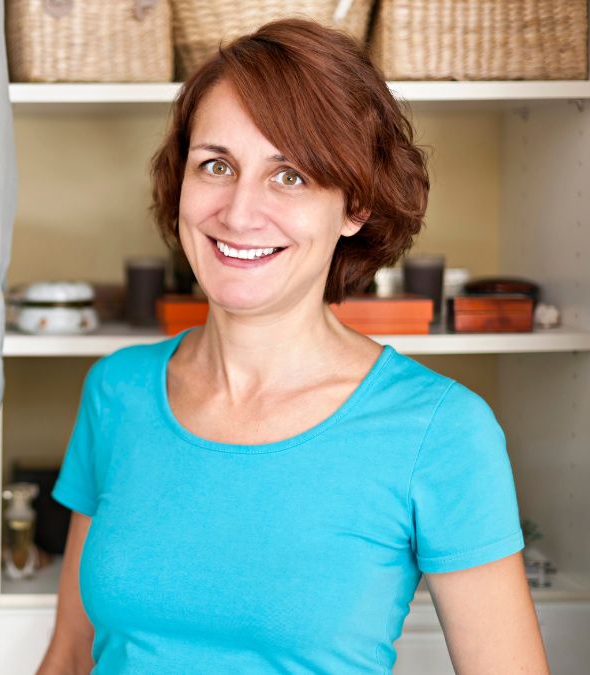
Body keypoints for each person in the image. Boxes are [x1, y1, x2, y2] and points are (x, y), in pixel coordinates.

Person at [37, 18, 548, 674]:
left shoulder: (440, 429)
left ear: (354, 204)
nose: (240, 212)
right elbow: (70, 654)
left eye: (291, 176)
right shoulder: (117, 391)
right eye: (216, 165)